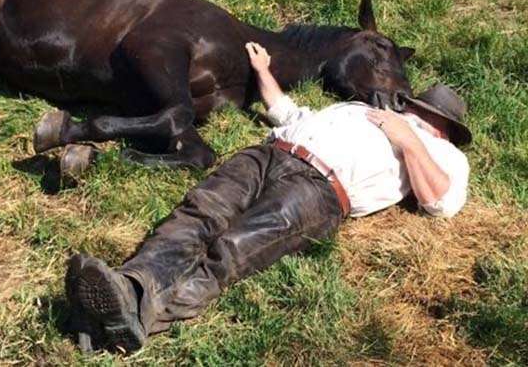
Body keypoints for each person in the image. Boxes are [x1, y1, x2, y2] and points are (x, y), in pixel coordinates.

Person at [65, 42, 472, 353]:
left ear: (445, 129)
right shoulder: (360, 110)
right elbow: (287, 113)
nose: (416, 117)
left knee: (234, 247)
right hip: (269, 154)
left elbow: (443, 203)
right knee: (198, 212)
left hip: (319, 189)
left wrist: (409, 143)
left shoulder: (444, 154)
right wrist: (263, 71)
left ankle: (142, 316)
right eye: (416, 110)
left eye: (427, 117)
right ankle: (133, 284)